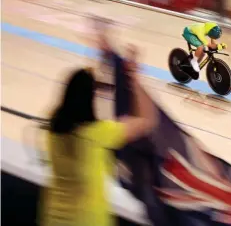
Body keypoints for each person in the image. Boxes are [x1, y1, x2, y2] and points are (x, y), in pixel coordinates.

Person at [39, 57, 158, 226]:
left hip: (52, 219)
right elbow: (147, 120)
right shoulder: (97, 134)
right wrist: (135, 78)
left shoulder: (54, 125)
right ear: (90, 99)